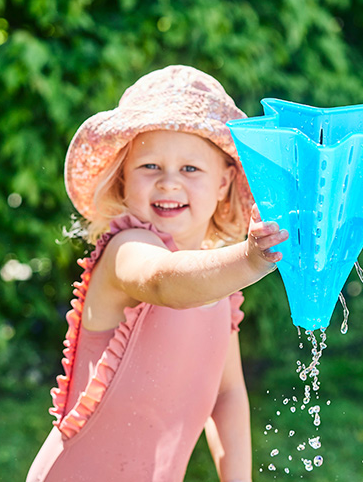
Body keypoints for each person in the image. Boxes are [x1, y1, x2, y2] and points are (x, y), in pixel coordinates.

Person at [28, 65, 287, 481]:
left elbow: (226, 393)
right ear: (124, 180)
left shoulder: (218, 284)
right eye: (149, 166)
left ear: (223, 183)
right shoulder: (125, 250)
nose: (169, 183)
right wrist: (251, 260)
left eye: (190, 169)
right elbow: (165, 281)